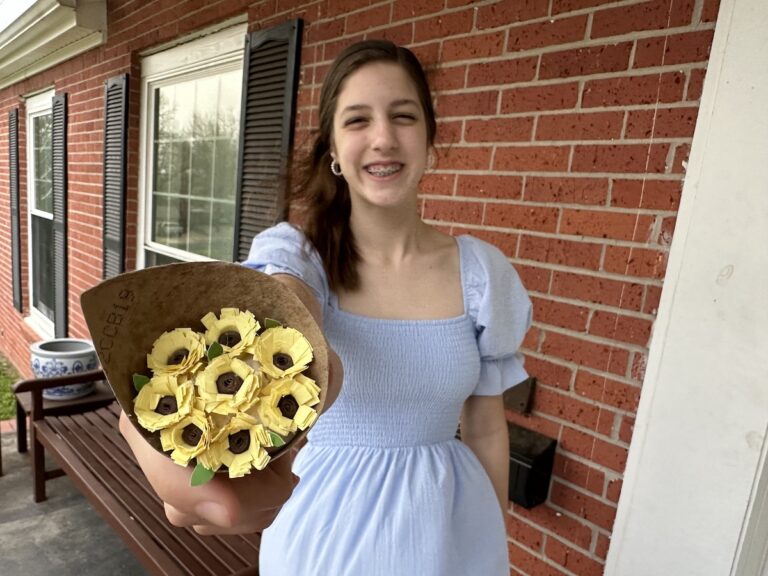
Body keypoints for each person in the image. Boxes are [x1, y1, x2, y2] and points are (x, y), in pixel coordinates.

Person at [120, 39, 532, 575]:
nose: (383, 138)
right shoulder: (299, 253)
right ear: (334, 151)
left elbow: (485, 427)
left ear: (431, 141)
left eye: (403, 116)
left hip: (447, 535)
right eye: (358, 120)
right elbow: (285, 303)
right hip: (324, 535)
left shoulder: (481, 274)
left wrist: (490, 535)